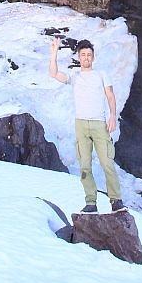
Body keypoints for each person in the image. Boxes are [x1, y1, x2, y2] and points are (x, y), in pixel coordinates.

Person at [49, 36, 125, 213]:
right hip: (81, 125)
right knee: (85, 165)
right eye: (83, 55)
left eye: (89, 55)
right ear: (78, 57)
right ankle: (91, 202)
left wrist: (113, 115)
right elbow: (54, 74)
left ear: (93, 57)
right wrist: (53, 53)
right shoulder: (75, 77)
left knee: (107, 162)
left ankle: (116, 201)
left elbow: (110, 95)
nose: (86, 58)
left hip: (99, 124)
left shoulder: (101, 75)